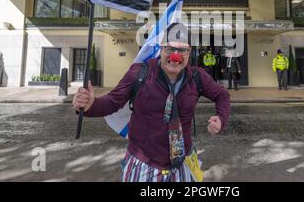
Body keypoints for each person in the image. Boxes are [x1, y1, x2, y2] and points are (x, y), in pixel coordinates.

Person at [72, 23, 230, 182]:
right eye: (169, 49)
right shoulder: (140, 72)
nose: (176, 56)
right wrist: (90, 105)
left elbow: (222, 95)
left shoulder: (198, 76)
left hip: (183, 162)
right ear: (160, 49)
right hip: (144, 163)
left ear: (189, 52)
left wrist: (221, 118)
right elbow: (112, 102)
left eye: (182, 50)